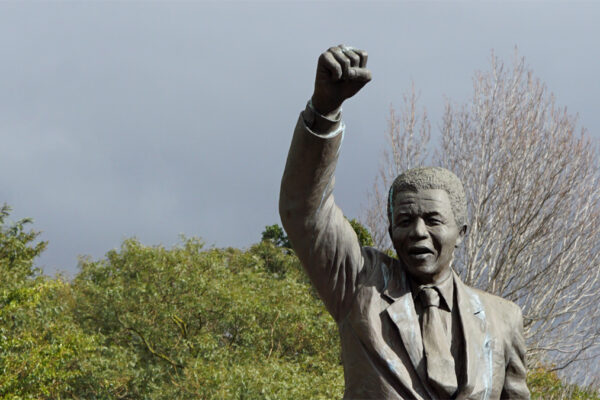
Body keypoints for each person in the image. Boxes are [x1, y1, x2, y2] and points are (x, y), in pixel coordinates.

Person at [279, 45, 530, 400]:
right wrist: (324, 110)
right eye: (405, 220)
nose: (418, 232)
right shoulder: (359, 285)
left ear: (461, 232)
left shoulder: (503, 319)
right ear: (392, 230)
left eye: (432, 220)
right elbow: (305, 210)